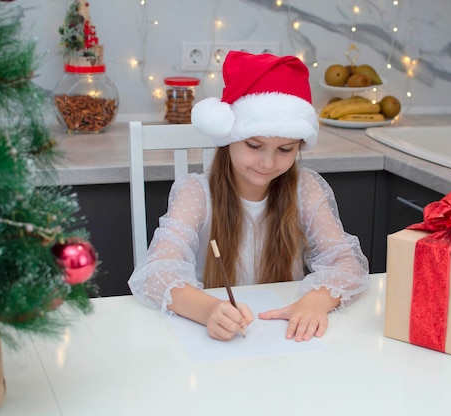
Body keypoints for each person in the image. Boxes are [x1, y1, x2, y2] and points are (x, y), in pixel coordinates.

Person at [128, 51, 370, 342]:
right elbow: (155, 273)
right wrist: (209, 310)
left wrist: (315, 302)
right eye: (254, 145)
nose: (268, 163)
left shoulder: (303, 188)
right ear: (228, 136)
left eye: (285, 150)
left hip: (282, 336)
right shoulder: (196, 193)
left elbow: (347, 263)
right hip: (215, 341)